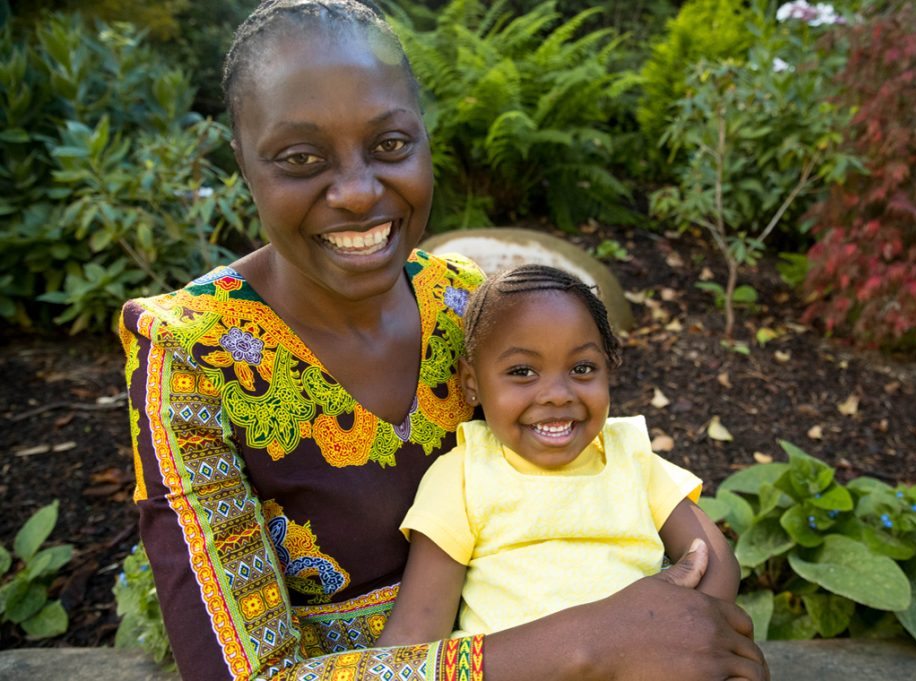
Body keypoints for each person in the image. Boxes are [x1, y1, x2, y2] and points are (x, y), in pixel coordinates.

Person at [119, 1, 769, 680]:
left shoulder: (465, 304)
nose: (358, 191)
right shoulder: (192, 351)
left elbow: (576, 475)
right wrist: (586, 642)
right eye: (301, 157)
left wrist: (672, 616)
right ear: (244, 162)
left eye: (391, 145)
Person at [377, 265, 740, 644]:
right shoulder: (464, 476)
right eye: (522, 371)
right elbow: (417, 630)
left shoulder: (631, 457)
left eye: (582, 368)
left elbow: (714, 564)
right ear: (472, 383)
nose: (557, 394)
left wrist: (677, 641)